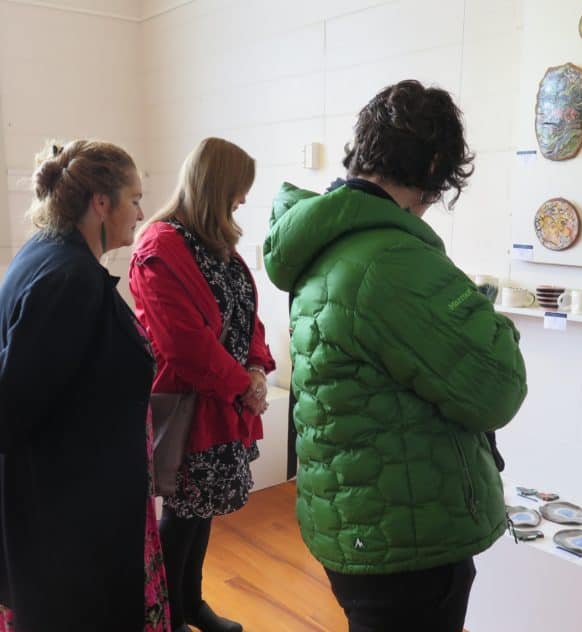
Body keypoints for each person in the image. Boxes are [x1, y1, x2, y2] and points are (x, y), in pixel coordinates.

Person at [263, 79, 528, 632]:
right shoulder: (390, 260)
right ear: (434, 165)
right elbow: (498, 385)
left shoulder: (326, 242)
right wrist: (485, 315)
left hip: (357, 513)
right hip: (407, 538)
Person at [0, 140, 170, 631]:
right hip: (72, 522)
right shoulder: (68, 280)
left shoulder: (46, 252)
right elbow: (13, 407)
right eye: (134, 198)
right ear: (100, 201)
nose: (141, 212)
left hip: (71, 506)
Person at [129, 137, 275, 632]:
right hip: (191, 405)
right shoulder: (160, 246)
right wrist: (242, 385)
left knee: (201, 510)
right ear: (216, 186)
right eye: (239, 189)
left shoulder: (218, 244)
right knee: (185, 512)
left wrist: (257, 369)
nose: (245, 199)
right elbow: (182, 344)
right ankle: (167, 616)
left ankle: (190, 603)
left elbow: (247, 318)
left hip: (225, 401)